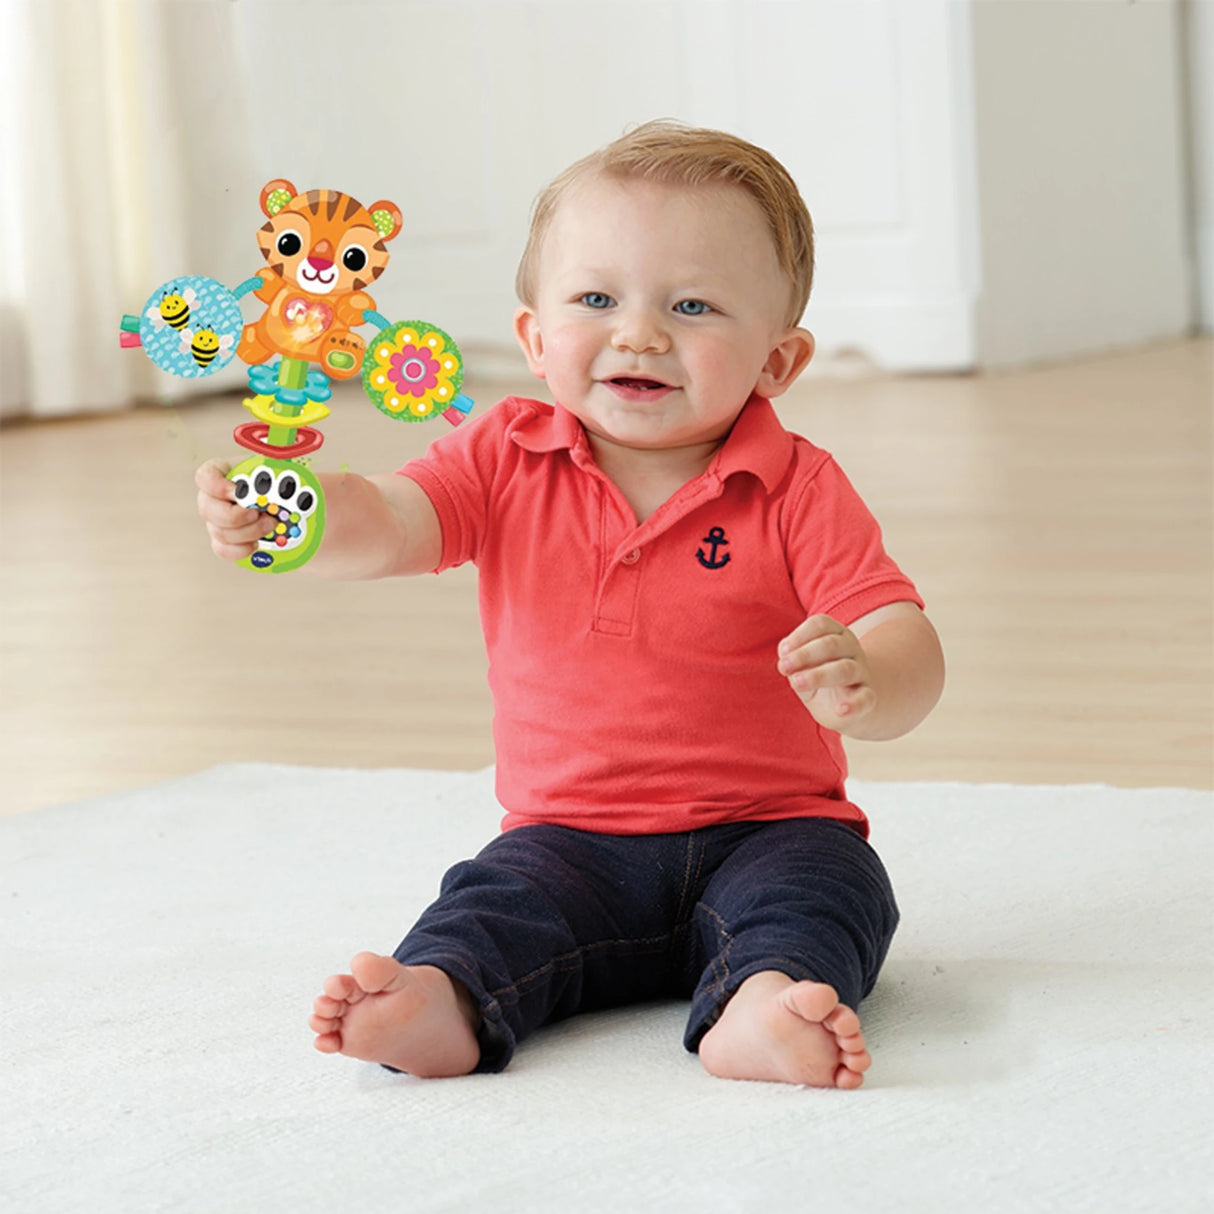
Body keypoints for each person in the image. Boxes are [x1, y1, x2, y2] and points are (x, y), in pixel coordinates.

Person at [196, 121, 945, 1088]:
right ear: (534, 336)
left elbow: (899, 632)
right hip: (564, 840)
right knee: (487, 905)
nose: (639, 332)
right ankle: (443, 1002)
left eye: (694, 305)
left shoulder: (796, 485)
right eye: (597, 298)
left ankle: (761, 1005)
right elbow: (390, 519)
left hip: (769, 826)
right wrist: (296, 515)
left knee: (834, 892)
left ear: (777, 363)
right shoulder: (503, 454)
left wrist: (871, 679)